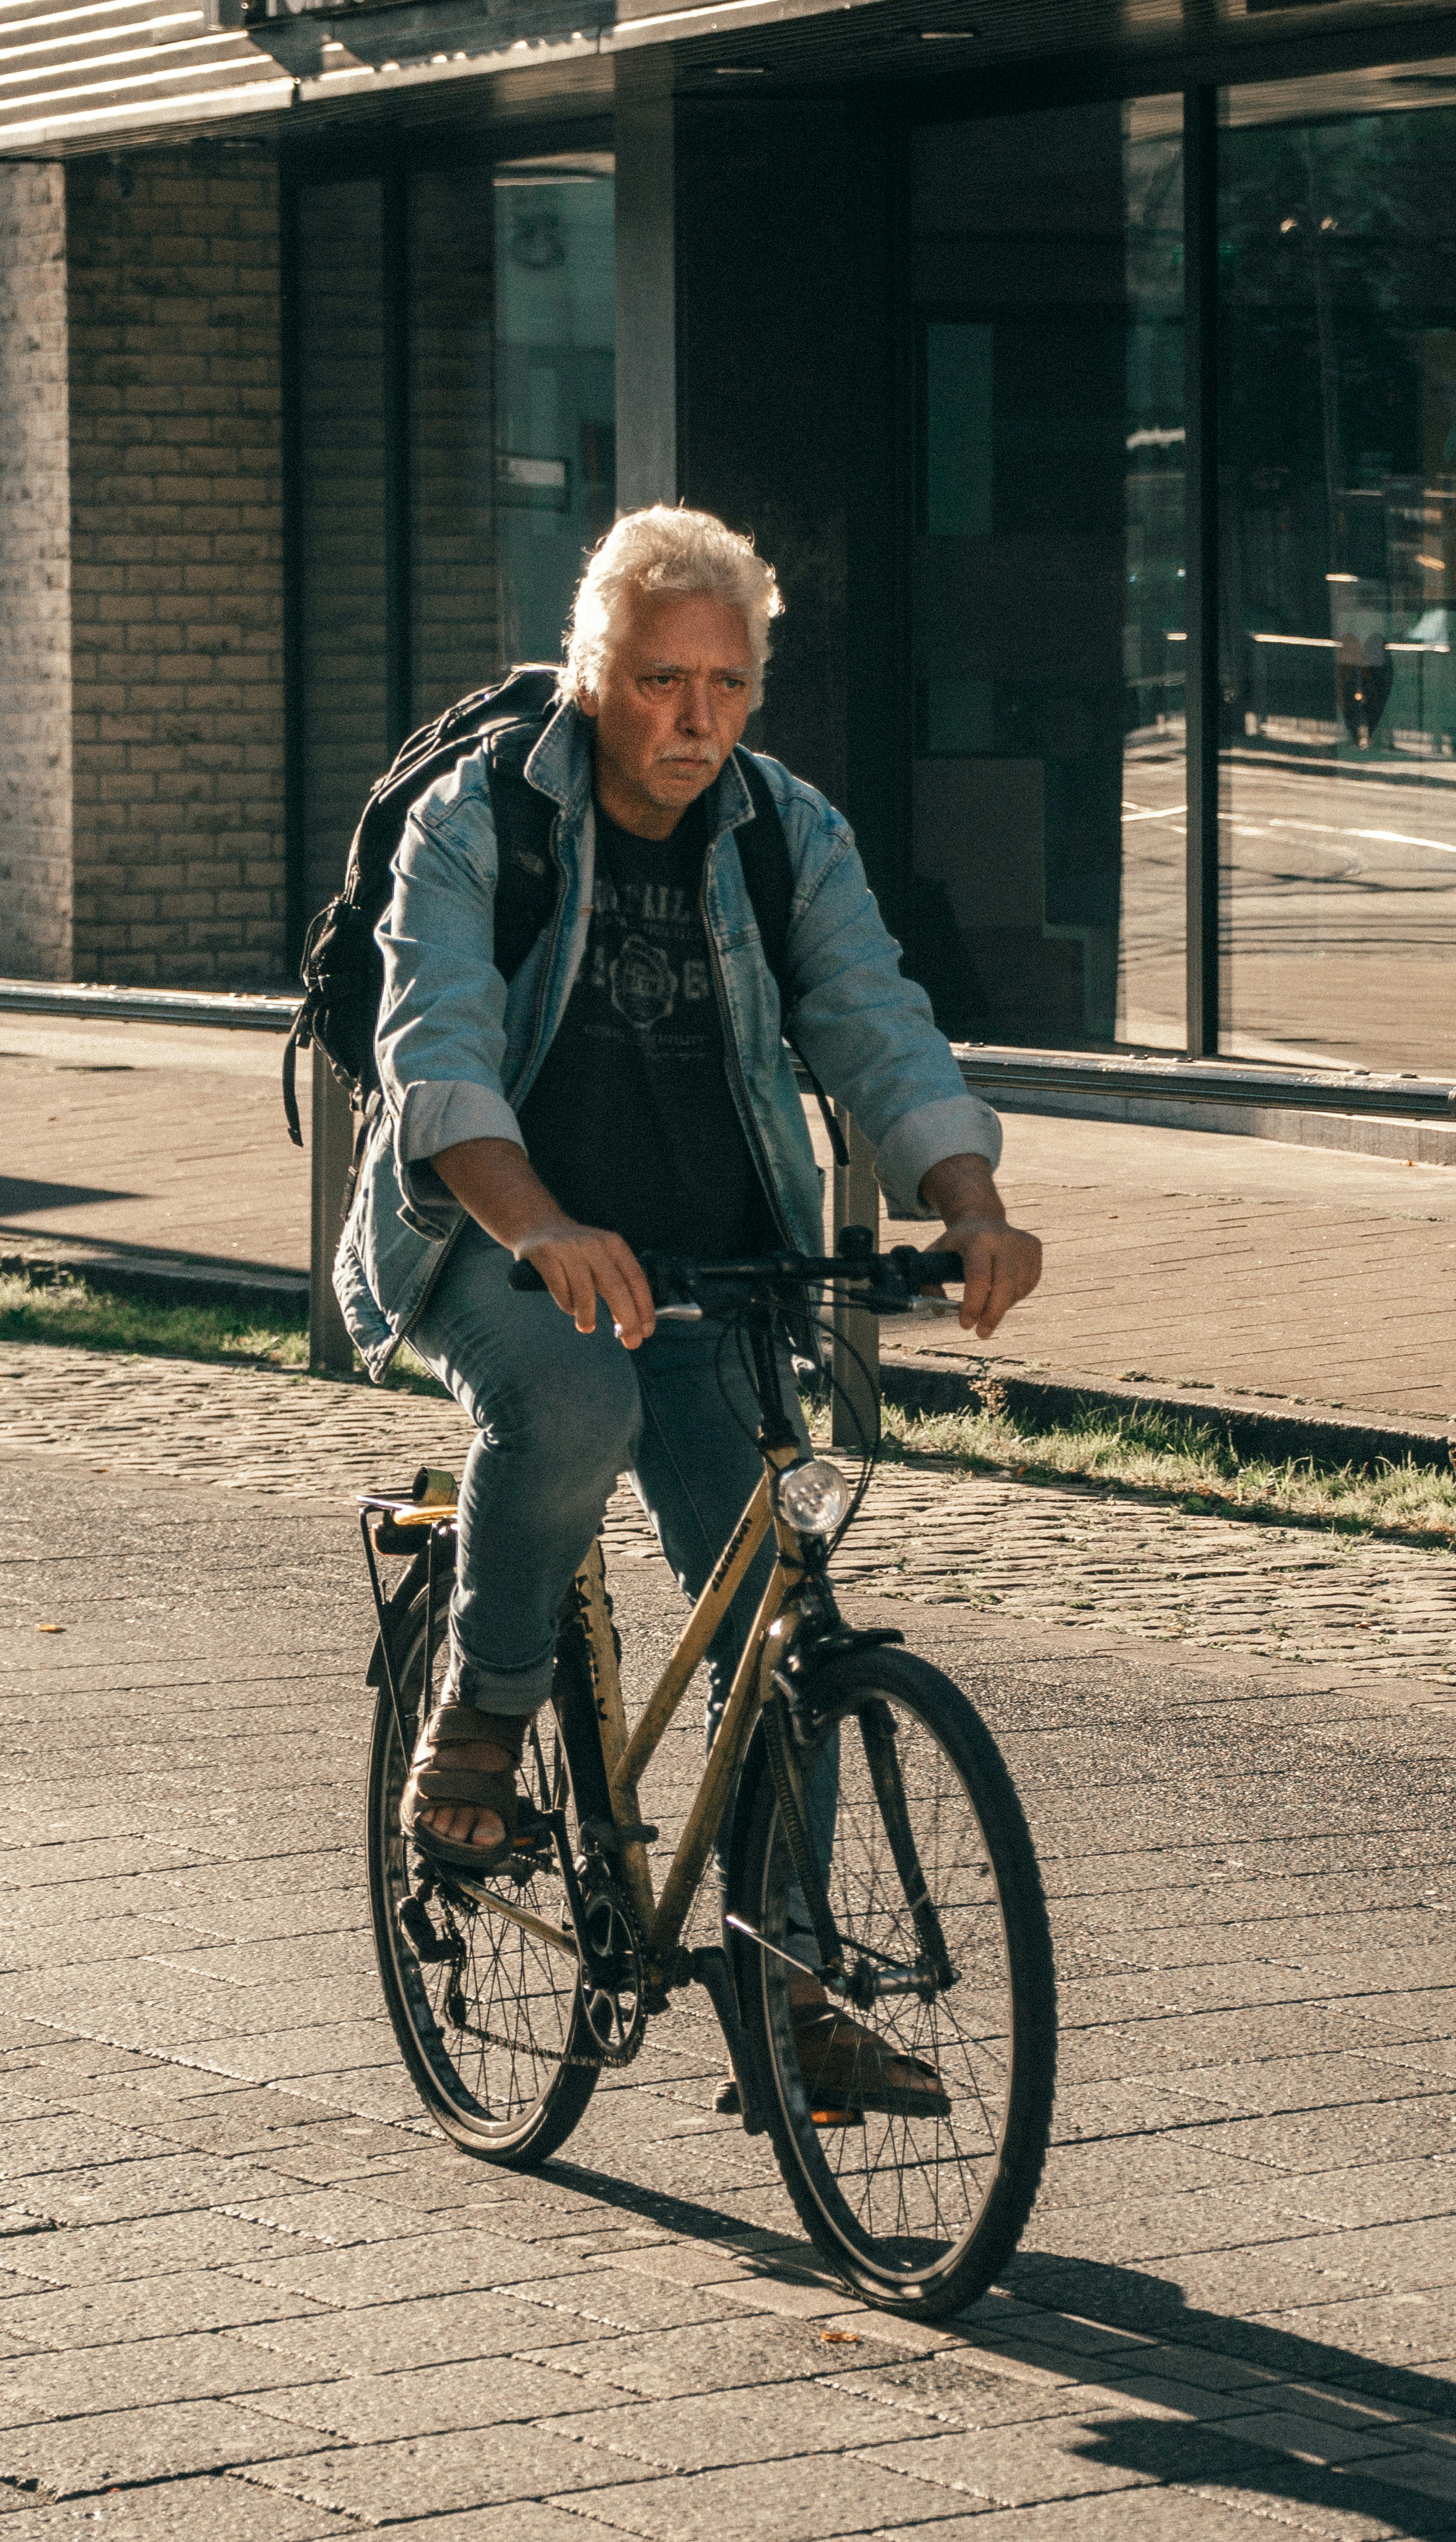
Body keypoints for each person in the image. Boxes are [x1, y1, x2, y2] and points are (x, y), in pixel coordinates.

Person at [334, 507, 1039, 2099]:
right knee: (572, 1405)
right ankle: (483, 1718)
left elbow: (871, 1017)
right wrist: (539, 1222)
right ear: (594, 675)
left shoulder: (785, 828)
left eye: (728, 684)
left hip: (714, 1261)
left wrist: (969, 1200)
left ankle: (791, 1996)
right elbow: (434, 1045)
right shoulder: (482, 818)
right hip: (495, 1237)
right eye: (662, 681)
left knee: (776, 1612)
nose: (697, 719)